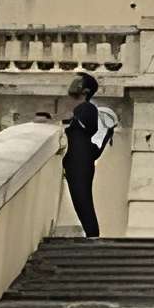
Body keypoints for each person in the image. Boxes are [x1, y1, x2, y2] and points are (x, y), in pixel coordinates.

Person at [59, 71, 114, 237]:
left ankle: (93, 234)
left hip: (81, 159)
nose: (72, 83)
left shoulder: (88, 109)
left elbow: (84, 128)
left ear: (86, 90)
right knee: (79, 200)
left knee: (82, 199)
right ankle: (91, 234)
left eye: (78, 81)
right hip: (76, 158)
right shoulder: (80, 109)